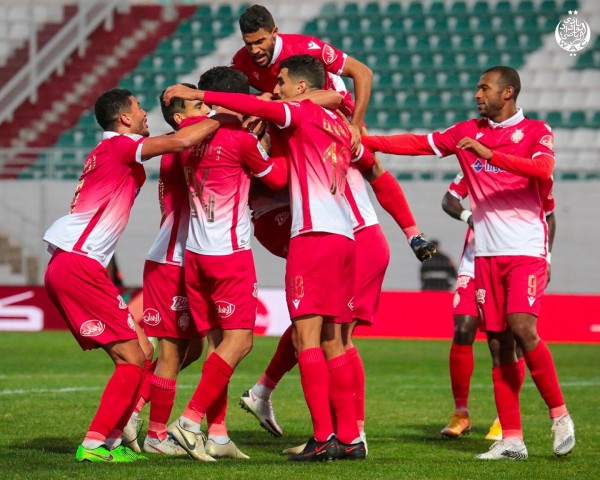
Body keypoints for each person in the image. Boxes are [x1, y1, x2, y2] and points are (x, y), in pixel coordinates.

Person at [362, 66, 575, 460]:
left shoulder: (535, 131)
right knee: (497, 344)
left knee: (523, 328)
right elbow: (420, 143)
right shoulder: (467, 132)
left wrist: (490, 154)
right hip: (486, 255)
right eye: (477, 88)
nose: (478, 94)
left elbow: (543, 170)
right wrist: (367, 142)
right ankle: (512, 439)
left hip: (526, 249)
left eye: (485, 88)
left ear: (507, 92)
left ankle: (559, 415)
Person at [164, 54, 367, 461]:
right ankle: (350, 439)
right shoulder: (340, 124)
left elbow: (260, 108)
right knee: (336, 340)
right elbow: (335, 96)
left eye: (284, 82)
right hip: (346, 236)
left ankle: (322, 437)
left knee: (306, 338)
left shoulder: (297, 113)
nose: (277, 88)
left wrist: (198, 94)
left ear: (301, 88)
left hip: (311, 236)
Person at [43, 88, 227, 463]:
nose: (145, 114)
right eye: (139, 108)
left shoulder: (107, 152)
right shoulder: (119, 146)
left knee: (143, 351)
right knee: (131, 357)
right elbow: (182, 140)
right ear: (124, 118)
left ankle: (111, 441)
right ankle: (93, 444)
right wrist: (225, 116)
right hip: (78, 265)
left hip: (76, 264)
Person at [231, 4, 435, 263]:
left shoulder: (306, 47)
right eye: (249, 44)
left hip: (332, 110)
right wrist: (260, 100)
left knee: (371, 165)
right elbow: (232, 96)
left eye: (260, 41)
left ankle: (412, 234)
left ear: (275, 32)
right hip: (288, 116)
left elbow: (362, 72)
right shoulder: (240, 61)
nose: (255, 50)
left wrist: (355, 124)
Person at [165, 67, 287, 462]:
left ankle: (217, 434)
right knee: (241, 342)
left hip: (196, 256)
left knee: (219, 347)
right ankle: (189, 421)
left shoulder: (189, 140)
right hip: (228, 255)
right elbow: (278, 178)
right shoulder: (239, 141)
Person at [121, 84, 213, 456]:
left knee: (194, 349)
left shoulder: (185, 142)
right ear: (180, 118)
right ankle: (157, 436)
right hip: (171, 261)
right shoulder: (179, 146)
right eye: (199, 104)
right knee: (173, 351)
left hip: (184, 258)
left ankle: (135, 410)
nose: (208, 109)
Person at [439, 173, 557, 440]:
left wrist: (547, 257)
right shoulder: (476, 167)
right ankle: (461, 412)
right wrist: (468, 217)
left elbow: (549, 215)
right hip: (475, 260)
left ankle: (504, 420)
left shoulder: (529, 170)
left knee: (514, 337)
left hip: (517, 259)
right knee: (463, 329)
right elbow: (448, 200)